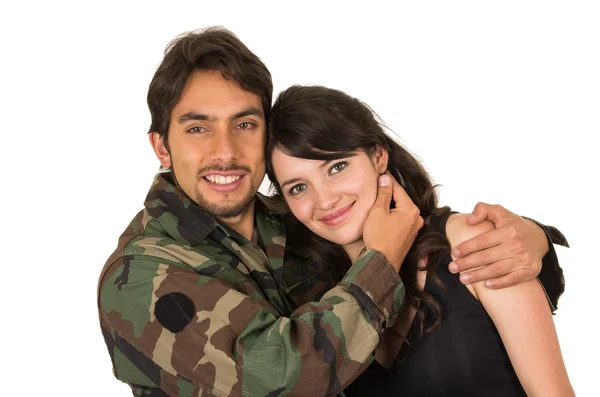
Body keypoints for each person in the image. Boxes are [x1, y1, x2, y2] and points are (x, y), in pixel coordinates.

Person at [97, 27, 568, 397]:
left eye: (244, 123)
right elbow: (287, 375)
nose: (226, 151)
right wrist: (382, 259)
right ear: (161, 146)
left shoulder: (296, 224)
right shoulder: (140, 275)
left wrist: (532, 238)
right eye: (198, 128)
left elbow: (490, 279)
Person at [265, 84, 574, 396]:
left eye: (337, 167)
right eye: (298, 187)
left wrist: (540, 236)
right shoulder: (317, 301)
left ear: (378, 157)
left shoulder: (472, 242)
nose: (325, 199)